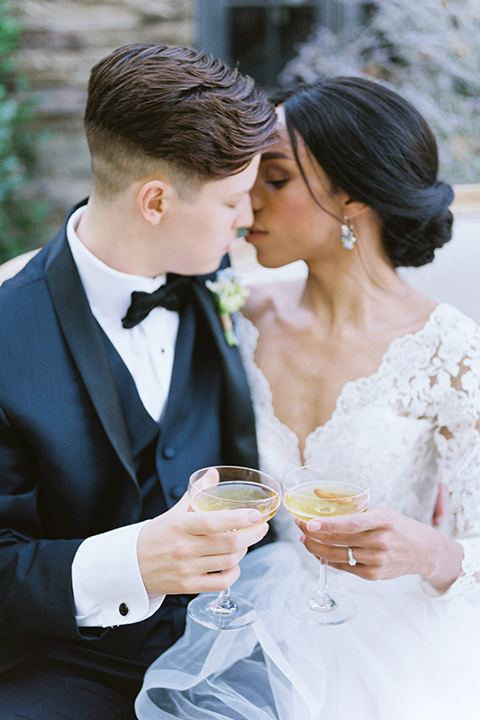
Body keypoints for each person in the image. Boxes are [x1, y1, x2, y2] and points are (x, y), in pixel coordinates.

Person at [135, 77, 480, 719]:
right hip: (226, 611)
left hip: (386, 635)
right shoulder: (232, 315)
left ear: (351, 197)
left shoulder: (453, 352)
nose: (248, 205)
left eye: (276, 178)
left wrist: (429, 551)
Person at [0, 43, 278, 719]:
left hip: (235, 638)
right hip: (64, 663)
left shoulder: (215, 281)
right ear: (155, 201)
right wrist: (134, 562)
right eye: (235, 200)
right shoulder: (7, 329)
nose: (248, 221)